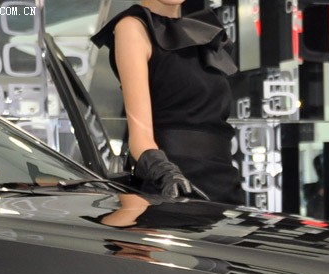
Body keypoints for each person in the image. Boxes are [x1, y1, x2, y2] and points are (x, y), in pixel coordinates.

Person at [92, 1, 243, 204]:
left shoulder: (202, 30)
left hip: (224, 179)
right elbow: (140, 138)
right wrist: (167, 174)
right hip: (173, 183)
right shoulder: (133, 28)